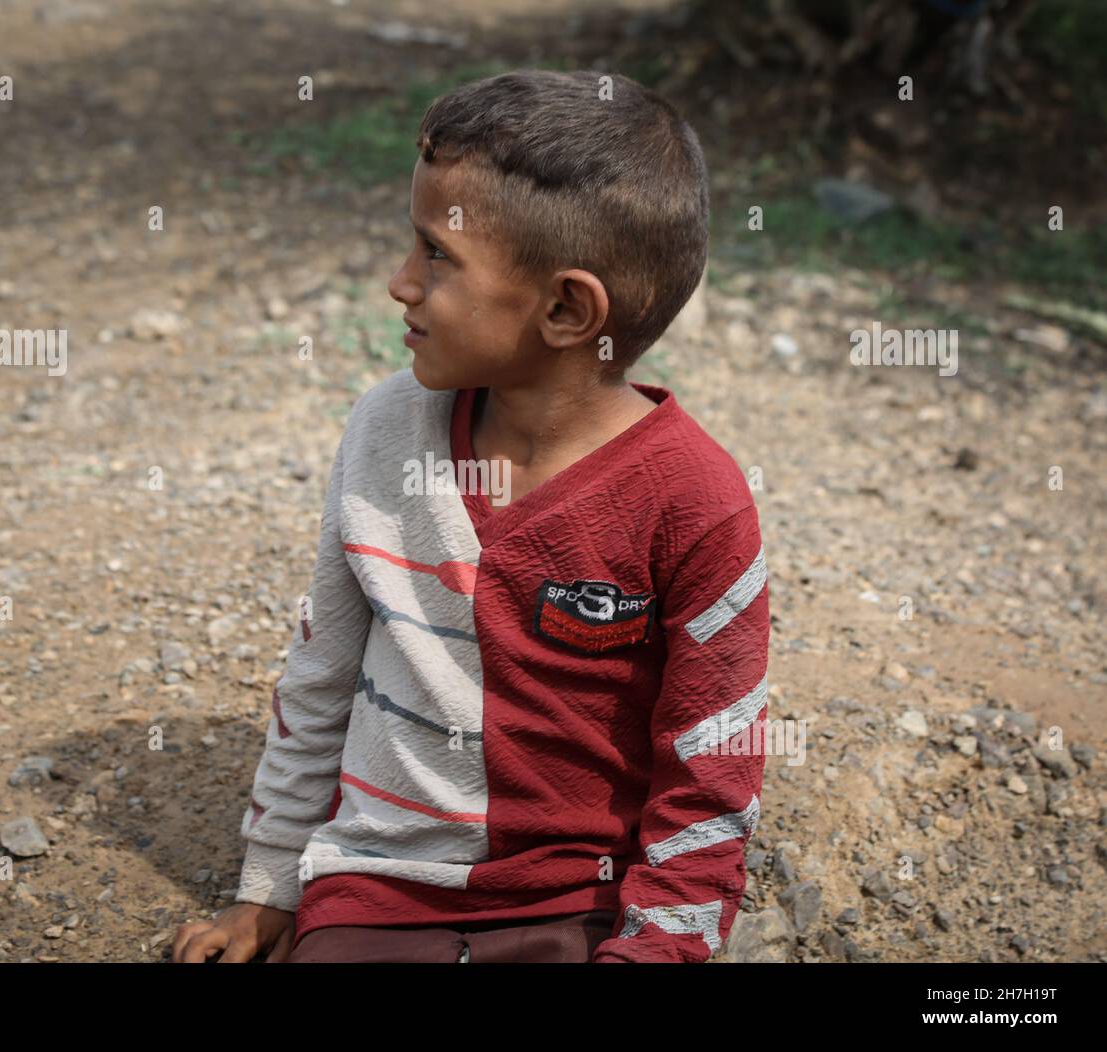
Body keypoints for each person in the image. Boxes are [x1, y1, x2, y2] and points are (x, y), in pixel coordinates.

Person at [173, 68, 769, 964]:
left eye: (436, 255)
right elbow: (322, 671)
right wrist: (273, 885)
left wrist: (652, 949)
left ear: (568, 310)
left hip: (580, 899)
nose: (399, 284)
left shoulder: (697, 504)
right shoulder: (385, 431)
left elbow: (709, 769)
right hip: (377, 887)